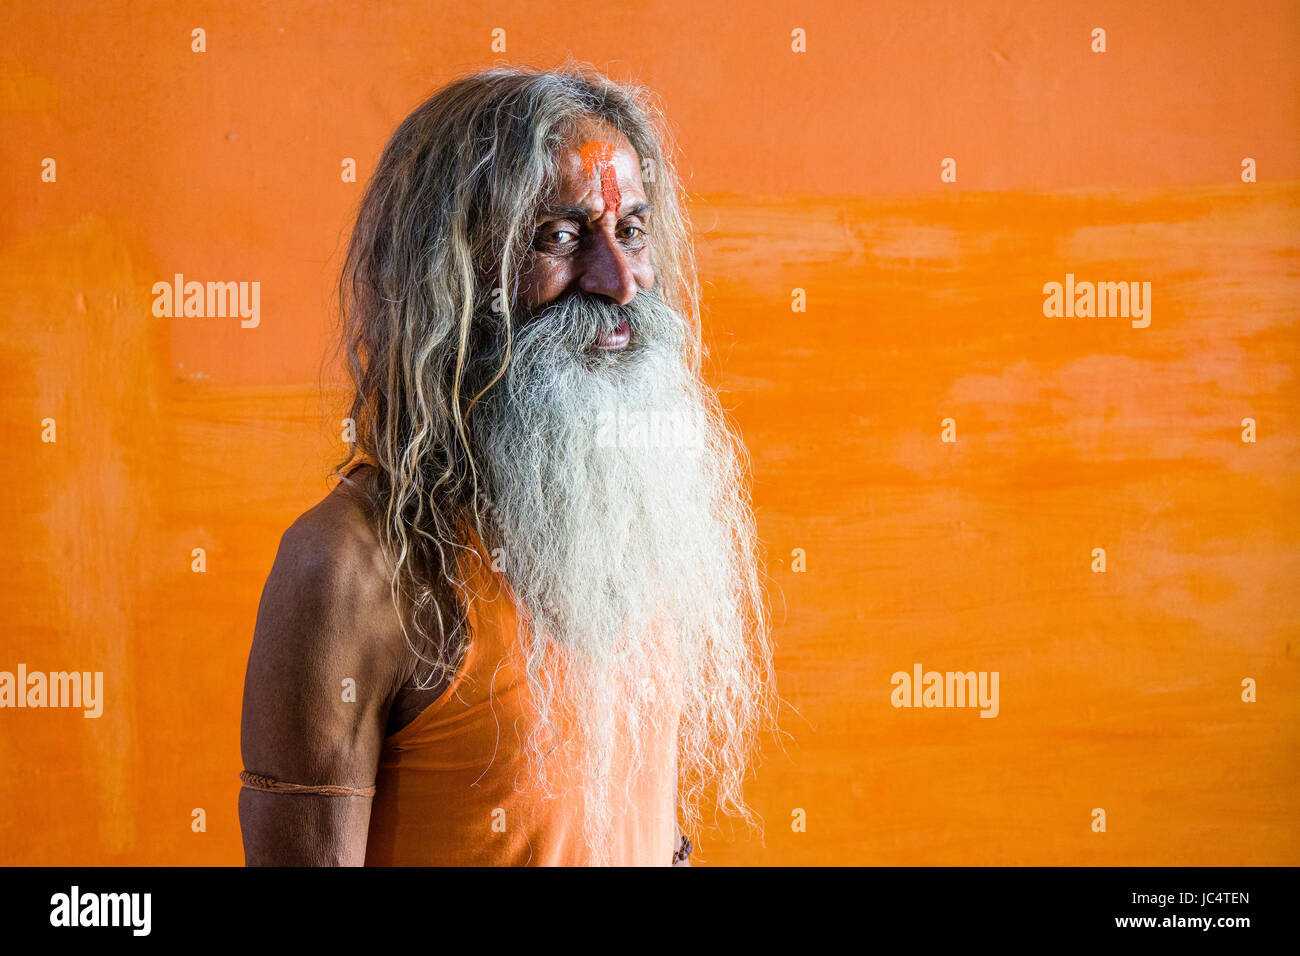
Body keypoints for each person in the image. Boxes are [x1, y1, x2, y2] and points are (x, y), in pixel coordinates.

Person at [238, 66, 776, 866]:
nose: (619, 281)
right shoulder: (352, 565)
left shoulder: (632, 528)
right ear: (448, 276)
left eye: (631, 230)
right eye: (559, 239)